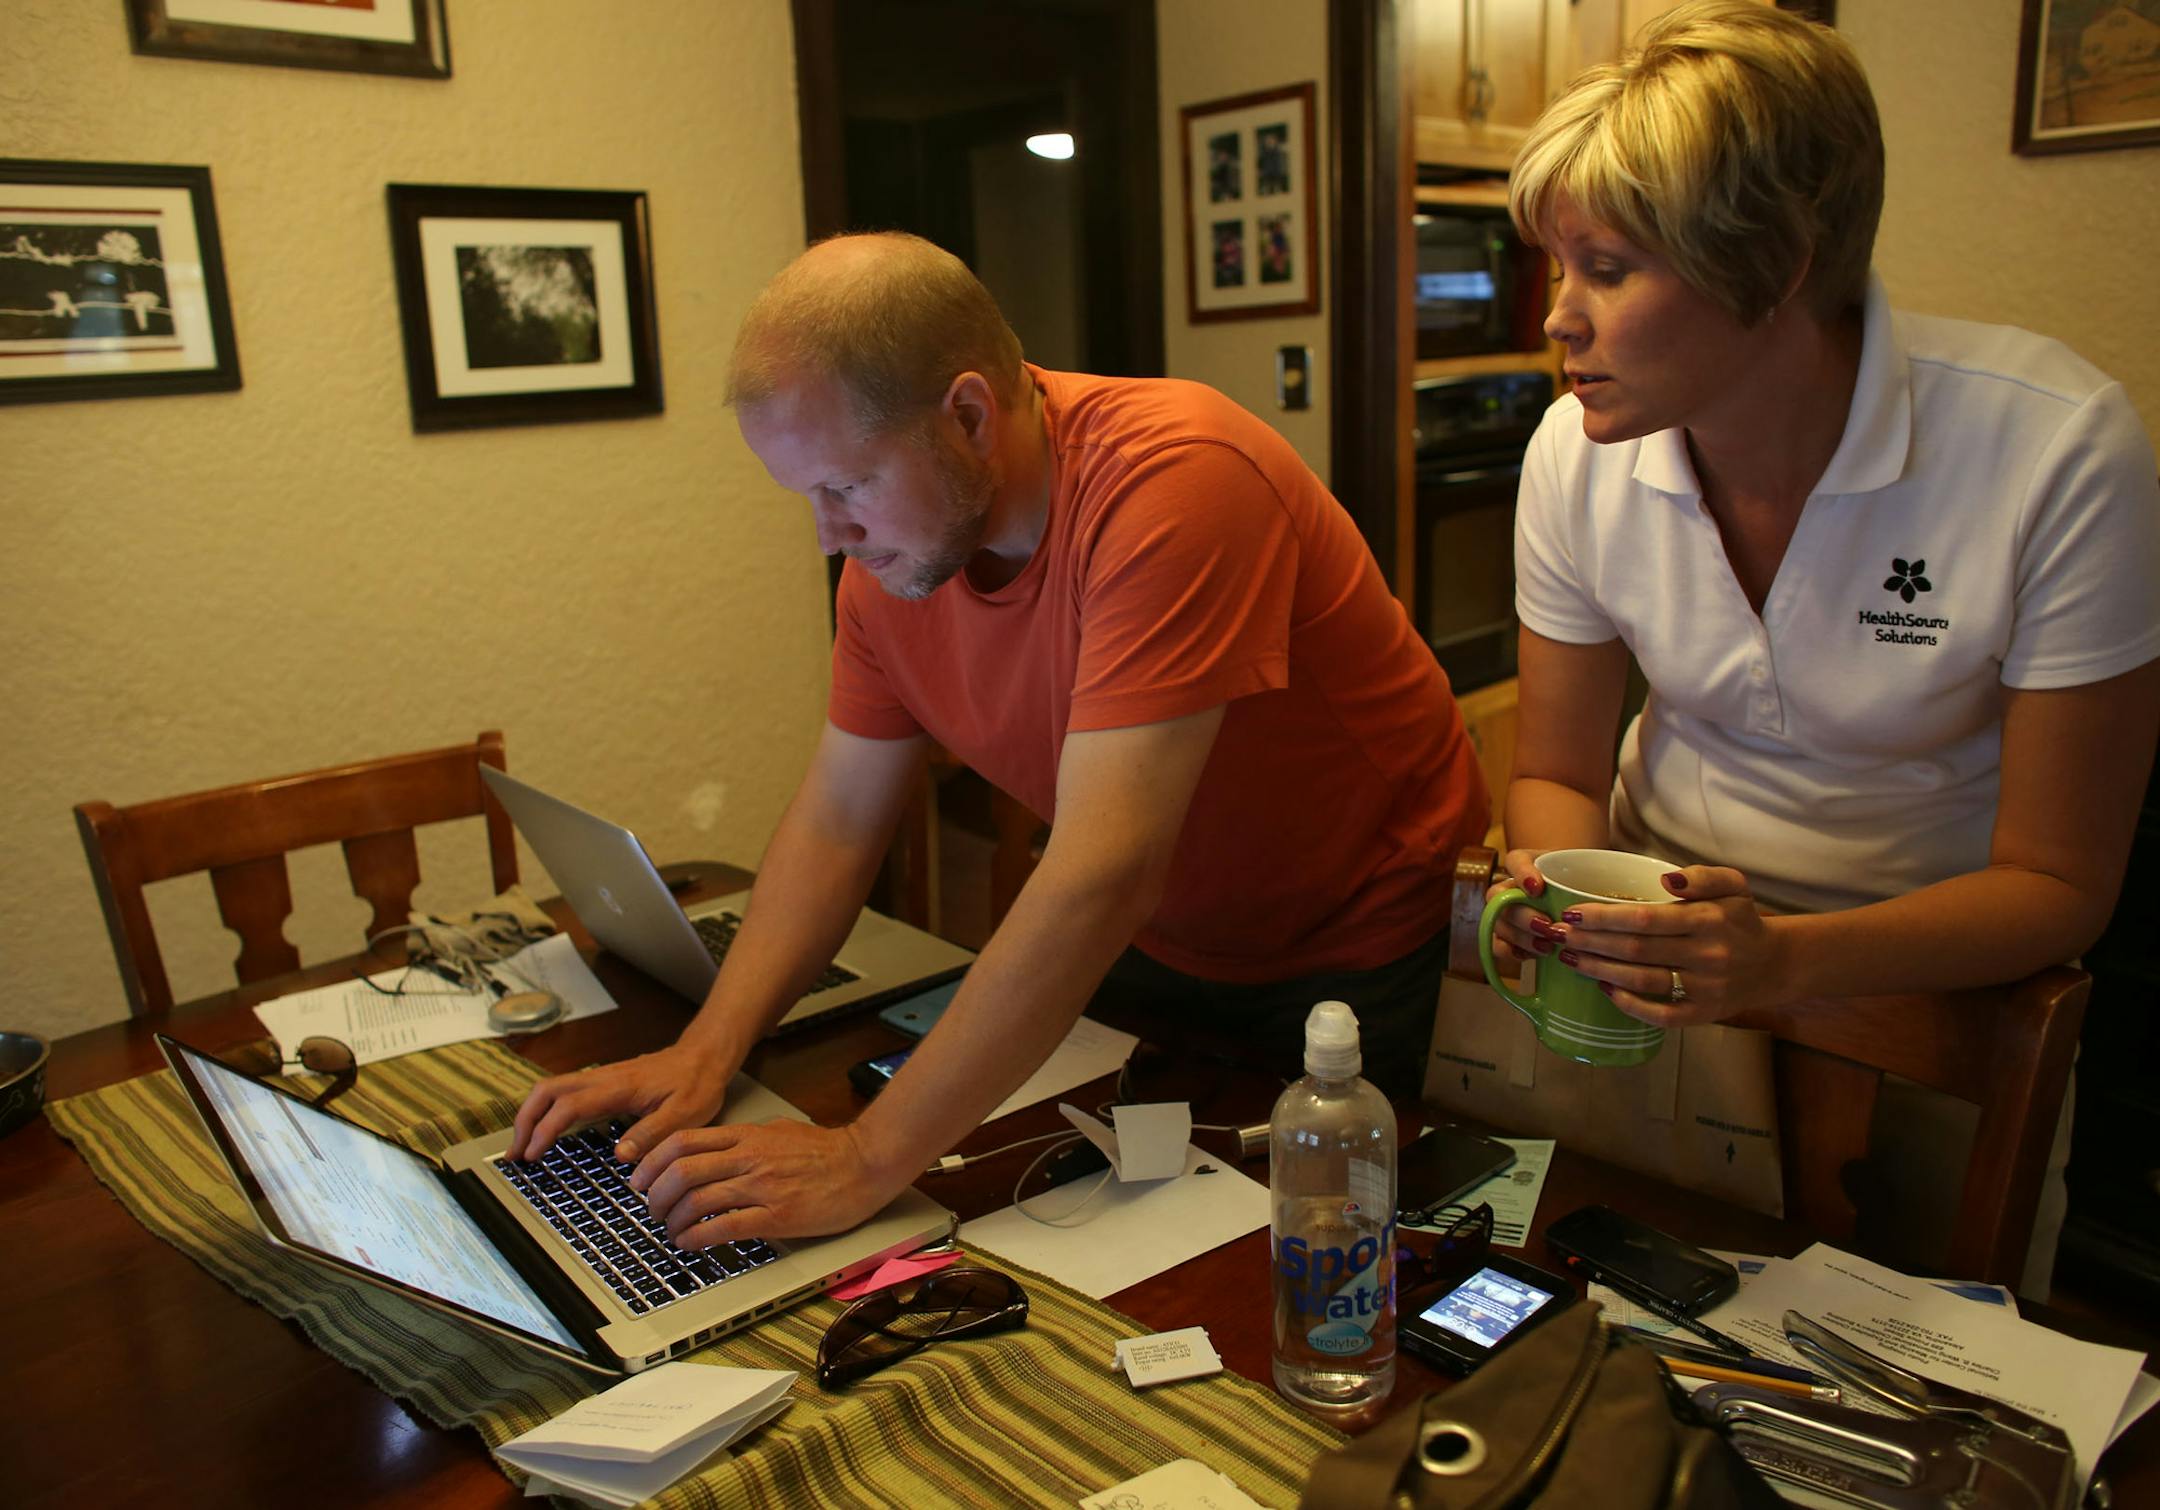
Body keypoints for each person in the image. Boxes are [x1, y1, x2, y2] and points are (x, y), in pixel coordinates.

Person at [510, 231, 1490, 1246]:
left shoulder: (1177, 479)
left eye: (845, 485)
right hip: (1162, 953)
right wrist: (707, 1050)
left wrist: (867, 1155)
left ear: (971, 415)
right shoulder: (892, 565)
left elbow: (1102, 871)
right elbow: (841, 818)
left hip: (1369, 962)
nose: (826, 535)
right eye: (805, 495)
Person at [1482, 0, 2160, 1293]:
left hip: (1946, 997)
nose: (1559, 319)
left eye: (1610, 270)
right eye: (1555, 268)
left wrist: (1786, 963)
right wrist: (1561, 884)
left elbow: (2062, 881)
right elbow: (1559, 768)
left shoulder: (2055, 451)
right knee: (1614, 1325)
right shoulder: (1575, 454)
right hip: (1666, 974)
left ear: (1778, 261)